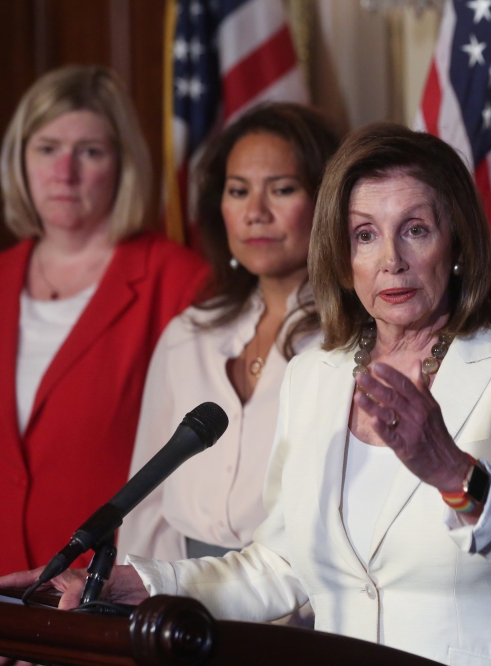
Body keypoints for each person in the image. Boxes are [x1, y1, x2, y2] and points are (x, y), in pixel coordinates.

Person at [0, 124, 491, 666]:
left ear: (456, 244)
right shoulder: (313, 377)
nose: (391, 261)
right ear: (341, 253)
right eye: (365, 235)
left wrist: (453, 473)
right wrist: (139, 585)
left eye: (415, 230)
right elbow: (278, 567)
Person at [0, 66, 208, 586]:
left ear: (124, 165)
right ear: (20, 159)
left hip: (103, 606)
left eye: (90, 152)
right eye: (47, 148)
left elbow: (197, 478)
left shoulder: (182, 283)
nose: (64, 171)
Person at [117, 103, 339, 567]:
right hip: (178, 598)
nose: (255, 212)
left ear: (327, 200)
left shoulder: (353, 337)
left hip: (306, 604)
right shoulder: (189, 334)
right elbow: (147, 503)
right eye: (238, 191)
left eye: (282, 189)